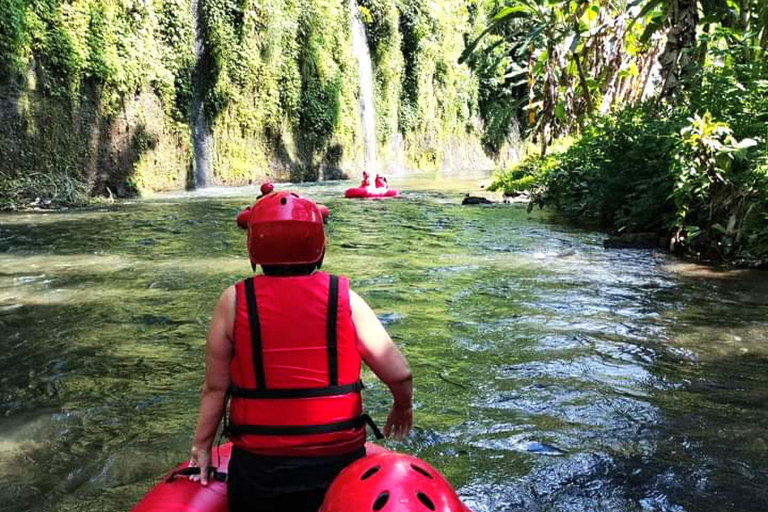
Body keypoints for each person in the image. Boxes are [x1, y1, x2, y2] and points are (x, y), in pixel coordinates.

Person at [189, 190, 413, 512]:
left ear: (254, 247)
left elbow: (215, 388)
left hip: (259, 472)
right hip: (338, 468)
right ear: (318, 245)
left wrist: (202, 446)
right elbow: (400, 374)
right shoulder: (344, 298)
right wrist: (402, 409)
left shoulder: (234, 301)